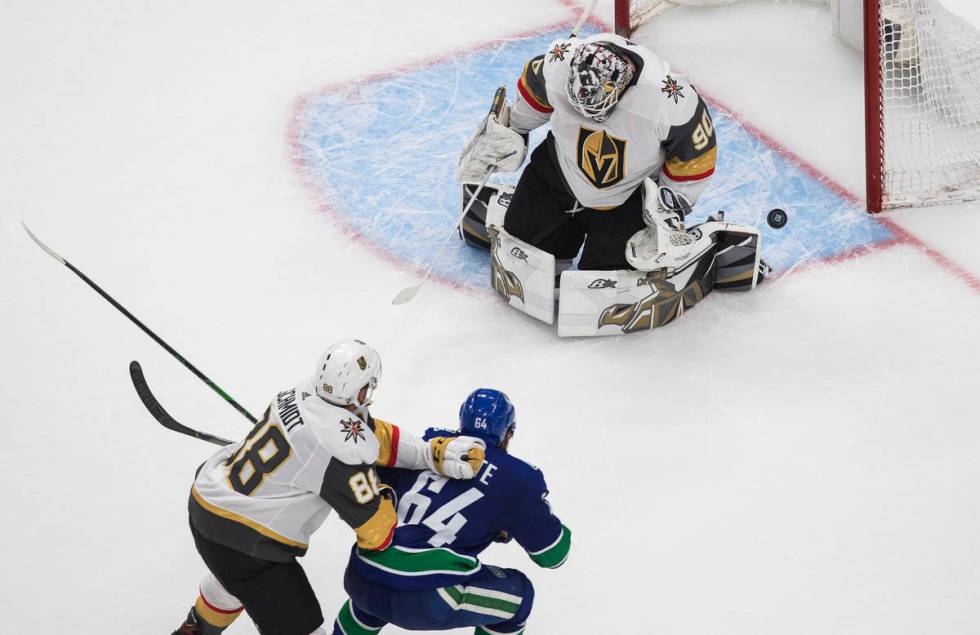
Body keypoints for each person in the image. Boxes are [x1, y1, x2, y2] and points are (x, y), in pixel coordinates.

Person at [172, 339, 488, 635]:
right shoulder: (339, 449)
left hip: (208, 504)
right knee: (259, 587)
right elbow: (376, 534)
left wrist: (426, 453)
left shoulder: (304, 392)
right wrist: (384, 492)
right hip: (244, 542)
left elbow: (367, 432)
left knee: (233, 580)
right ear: (360, 392)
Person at [457, 32, 718, 274]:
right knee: (523, 238)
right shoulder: (557, 64)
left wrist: (668, 208)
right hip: (559, 174)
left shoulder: (670, 101)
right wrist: (508, 131)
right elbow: (528, 102)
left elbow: (696, 156)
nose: (586, 116)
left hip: (629, 195)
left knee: (612, 271)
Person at [330, 388, 571, 635]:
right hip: (425, 597)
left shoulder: (431, 444)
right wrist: (526, 511)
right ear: (508, 434)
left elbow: (375, 475)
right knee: (519, 597)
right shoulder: (519, 479)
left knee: (374, 587)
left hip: (360, 574)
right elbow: (552, 554)